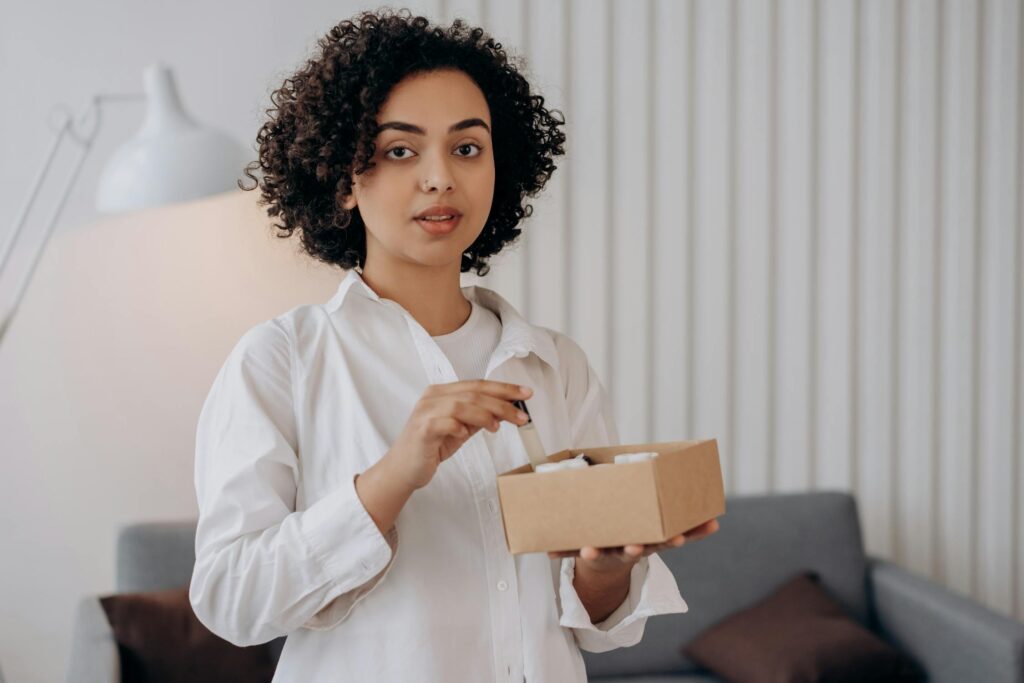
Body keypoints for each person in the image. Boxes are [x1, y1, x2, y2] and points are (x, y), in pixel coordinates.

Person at [189, 8, 719, 682]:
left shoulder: (556, 368)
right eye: (400, 150)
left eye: (467, 148)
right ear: (345, 178)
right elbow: (231, 598)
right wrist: (394, 475)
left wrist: (605, 565)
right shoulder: (281, 362)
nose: (441, 177)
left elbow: (596, 624)